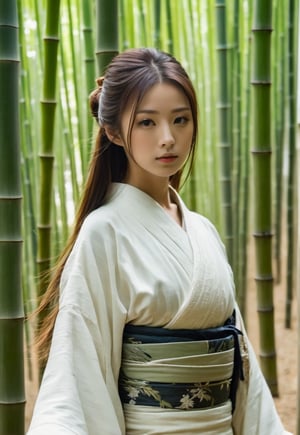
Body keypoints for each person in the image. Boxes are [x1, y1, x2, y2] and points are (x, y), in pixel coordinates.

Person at [27, 48, 291, 435]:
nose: (168, 138)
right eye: (147, 123)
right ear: (114, 131)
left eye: (180, 120)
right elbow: (78, 370)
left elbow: (243, 366)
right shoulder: (103, 232)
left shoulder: (204, 232)